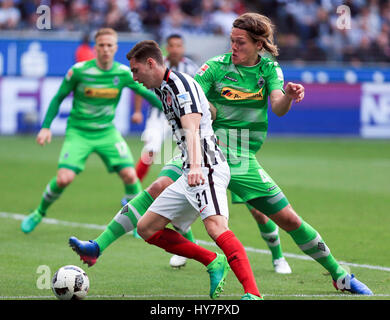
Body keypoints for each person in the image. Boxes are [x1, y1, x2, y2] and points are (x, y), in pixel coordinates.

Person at [69, 13, 373, 295]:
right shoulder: (215, 67)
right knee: (158, 186)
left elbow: (278, 107)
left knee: (289, 219)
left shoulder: (268, 69)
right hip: (209, 149)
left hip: (242, 158)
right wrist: (205, 112)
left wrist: (290, 97)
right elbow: (191, 98)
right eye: (232, 40)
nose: (234, 46)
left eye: (241, 42)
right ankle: (98, 246)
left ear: (258, 44)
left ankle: (339, 275)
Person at [72, 40, 263, 300]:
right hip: (189, 169)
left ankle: (253, 294)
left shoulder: (179, 86)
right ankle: (212, 261)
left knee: (216, 228)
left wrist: (196, 165)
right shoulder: (164, 88)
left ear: (151, 63)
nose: (134, 77)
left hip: (204, 167)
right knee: (146, 228)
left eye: (136, 70)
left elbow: (192, 127)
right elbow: (207, 113)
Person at [21, 28, 162, 234]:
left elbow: (146, 93)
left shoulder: (122, 73)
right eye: (101, 45)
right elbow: (58, 97)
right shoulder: (78, 71)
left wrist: (169, 106)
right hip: (79, 132)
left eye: (109, 45)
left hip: (106, 132)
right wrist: (46, 127)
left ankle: (136, 222)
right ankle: (38, 212)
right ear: (95, 48)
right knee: (63, 179)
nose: (105, 49)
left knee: (131, 176)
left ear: (115, 48)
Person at [132, 34, 199, 184]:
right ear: (166, 48)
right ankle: (133, 189)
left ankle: (189, 188)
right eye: (172, 46)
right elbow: (139, 88)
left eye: (178, 46)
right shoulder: (156, 65)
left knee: (190, 151)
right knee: (150, 151)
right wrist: (137, 111)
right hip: (159, 115)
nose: (175, 49)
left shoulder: (191, 67)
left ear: (183, 48)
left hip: (183, 116)